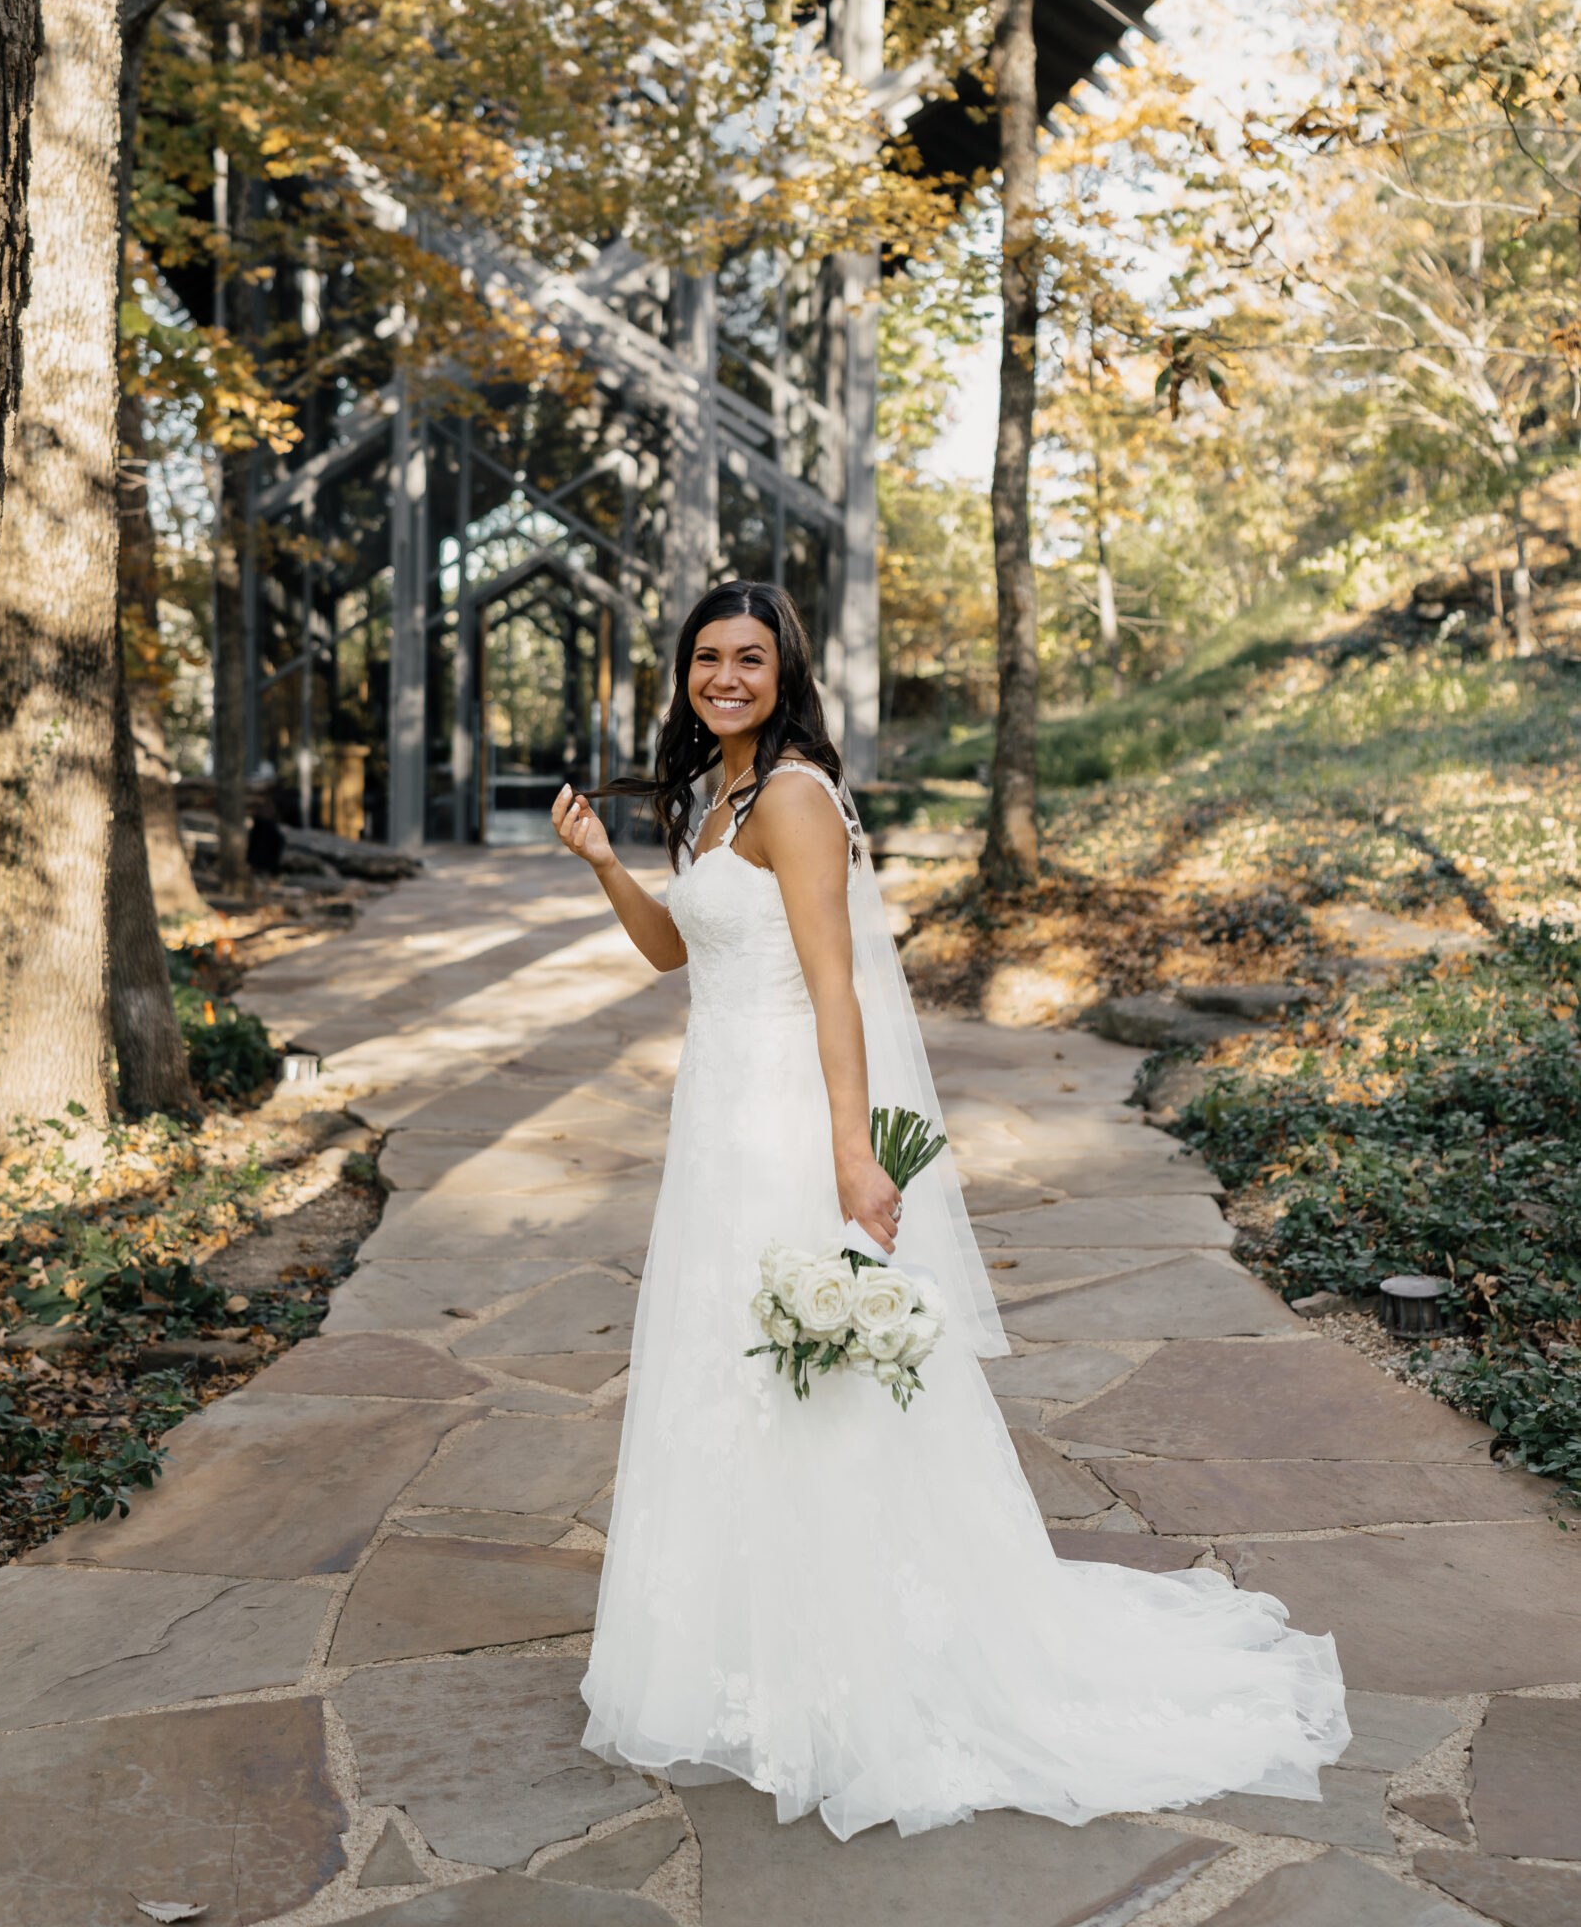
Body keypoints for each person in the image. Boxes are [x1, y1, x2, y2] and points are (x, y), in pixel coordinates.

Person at [552, 581, 1348, 1842]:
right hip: (714, 1118)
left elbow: (836, 992)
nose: (724, 676)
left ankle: (862, 1665)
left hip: (783, 1120)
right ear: (684, 673)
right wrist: (602, 860)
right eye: (706, 657)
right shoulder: (715, 793)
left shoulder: (798, 798)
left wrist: (856, 1156)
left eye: (749, 658)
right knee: (731, 1376)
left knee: (816, 1380)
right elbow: (675, 955)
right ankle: (742, 1652)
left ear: (786, 672)